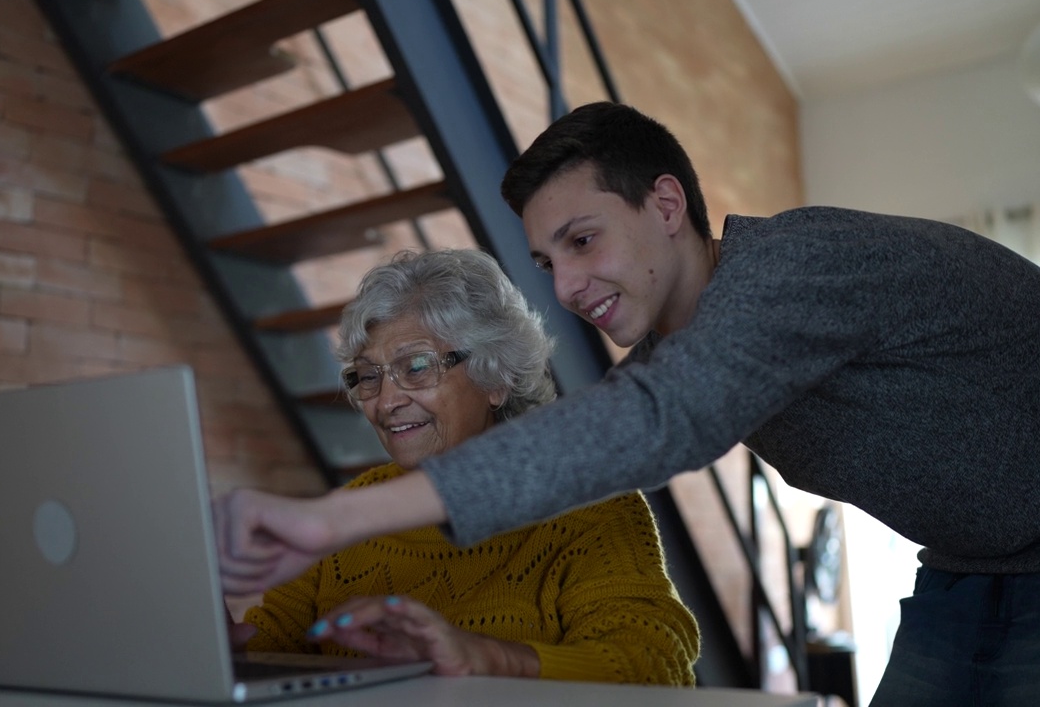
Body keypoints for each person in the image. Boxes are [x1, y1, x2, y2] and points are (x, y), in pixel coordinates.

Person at [215, 103, 1040, 705]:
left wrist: (329, 521)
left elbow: (654, 423)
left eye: (582, 241)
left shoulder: (797, 265)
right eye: (547, 263)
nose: (569, 287)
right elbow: (624, 422)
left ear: (666, 204)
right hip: (969, 565)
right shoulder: (678, 353)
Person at [228, 248, 699, 685]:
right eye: (368, 377)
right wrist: (226, 650)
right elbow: (272, 646)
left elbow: (656, 665)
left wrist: (492, 657)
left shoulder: (592, 508)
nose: (386, 402)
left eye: (416, 367)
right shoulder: (353, 510)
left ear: (495, 378)